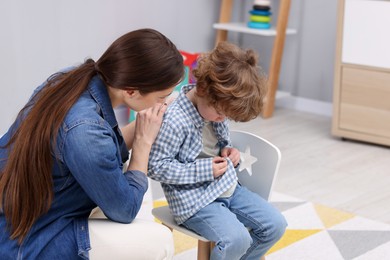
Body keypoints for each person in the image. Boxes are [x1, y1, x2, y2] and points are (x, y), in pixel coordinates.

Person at [0, 28, 184, 259]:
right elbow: (124, 210)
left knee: (135, 184)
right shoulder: (85, 129)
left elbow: (105, 152)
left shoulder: (72, 78)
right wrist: (143, 144)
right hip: (32, 236)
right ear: (131, 91)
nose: (164, 102)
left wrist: (144, 127)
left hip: (30, 207)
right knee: (160, 240)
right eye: (161, 97)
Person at [148, 41, 287, 260]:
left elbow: (216, 147)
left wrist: (232, 154)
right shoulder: (175, 120)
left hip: (227, 188)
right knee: (236, 239)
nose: (223, 119)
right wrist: (206, 170)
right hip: (193, 201)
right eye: (221, 113)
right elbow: (156, 167)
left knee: (276, 225)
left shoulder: (214, 111)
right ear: (203, 89)